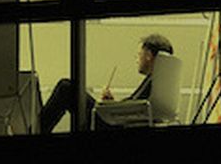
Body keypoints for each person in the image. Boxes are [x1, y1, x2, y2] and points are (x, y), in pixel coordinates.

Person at [36, 34, 173, 134]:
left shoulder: (154, 81)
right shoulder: (160, 82)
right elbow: (135, 106)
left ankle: (35, 131)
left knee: (66, 88)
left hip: (111, 124)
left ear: (148, 55)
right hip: (116, 121)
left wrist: (111, 108)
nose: (137, 59)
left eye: (138, 54)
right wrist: (112, 104)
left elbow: (135, 107)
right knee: (67, 88)